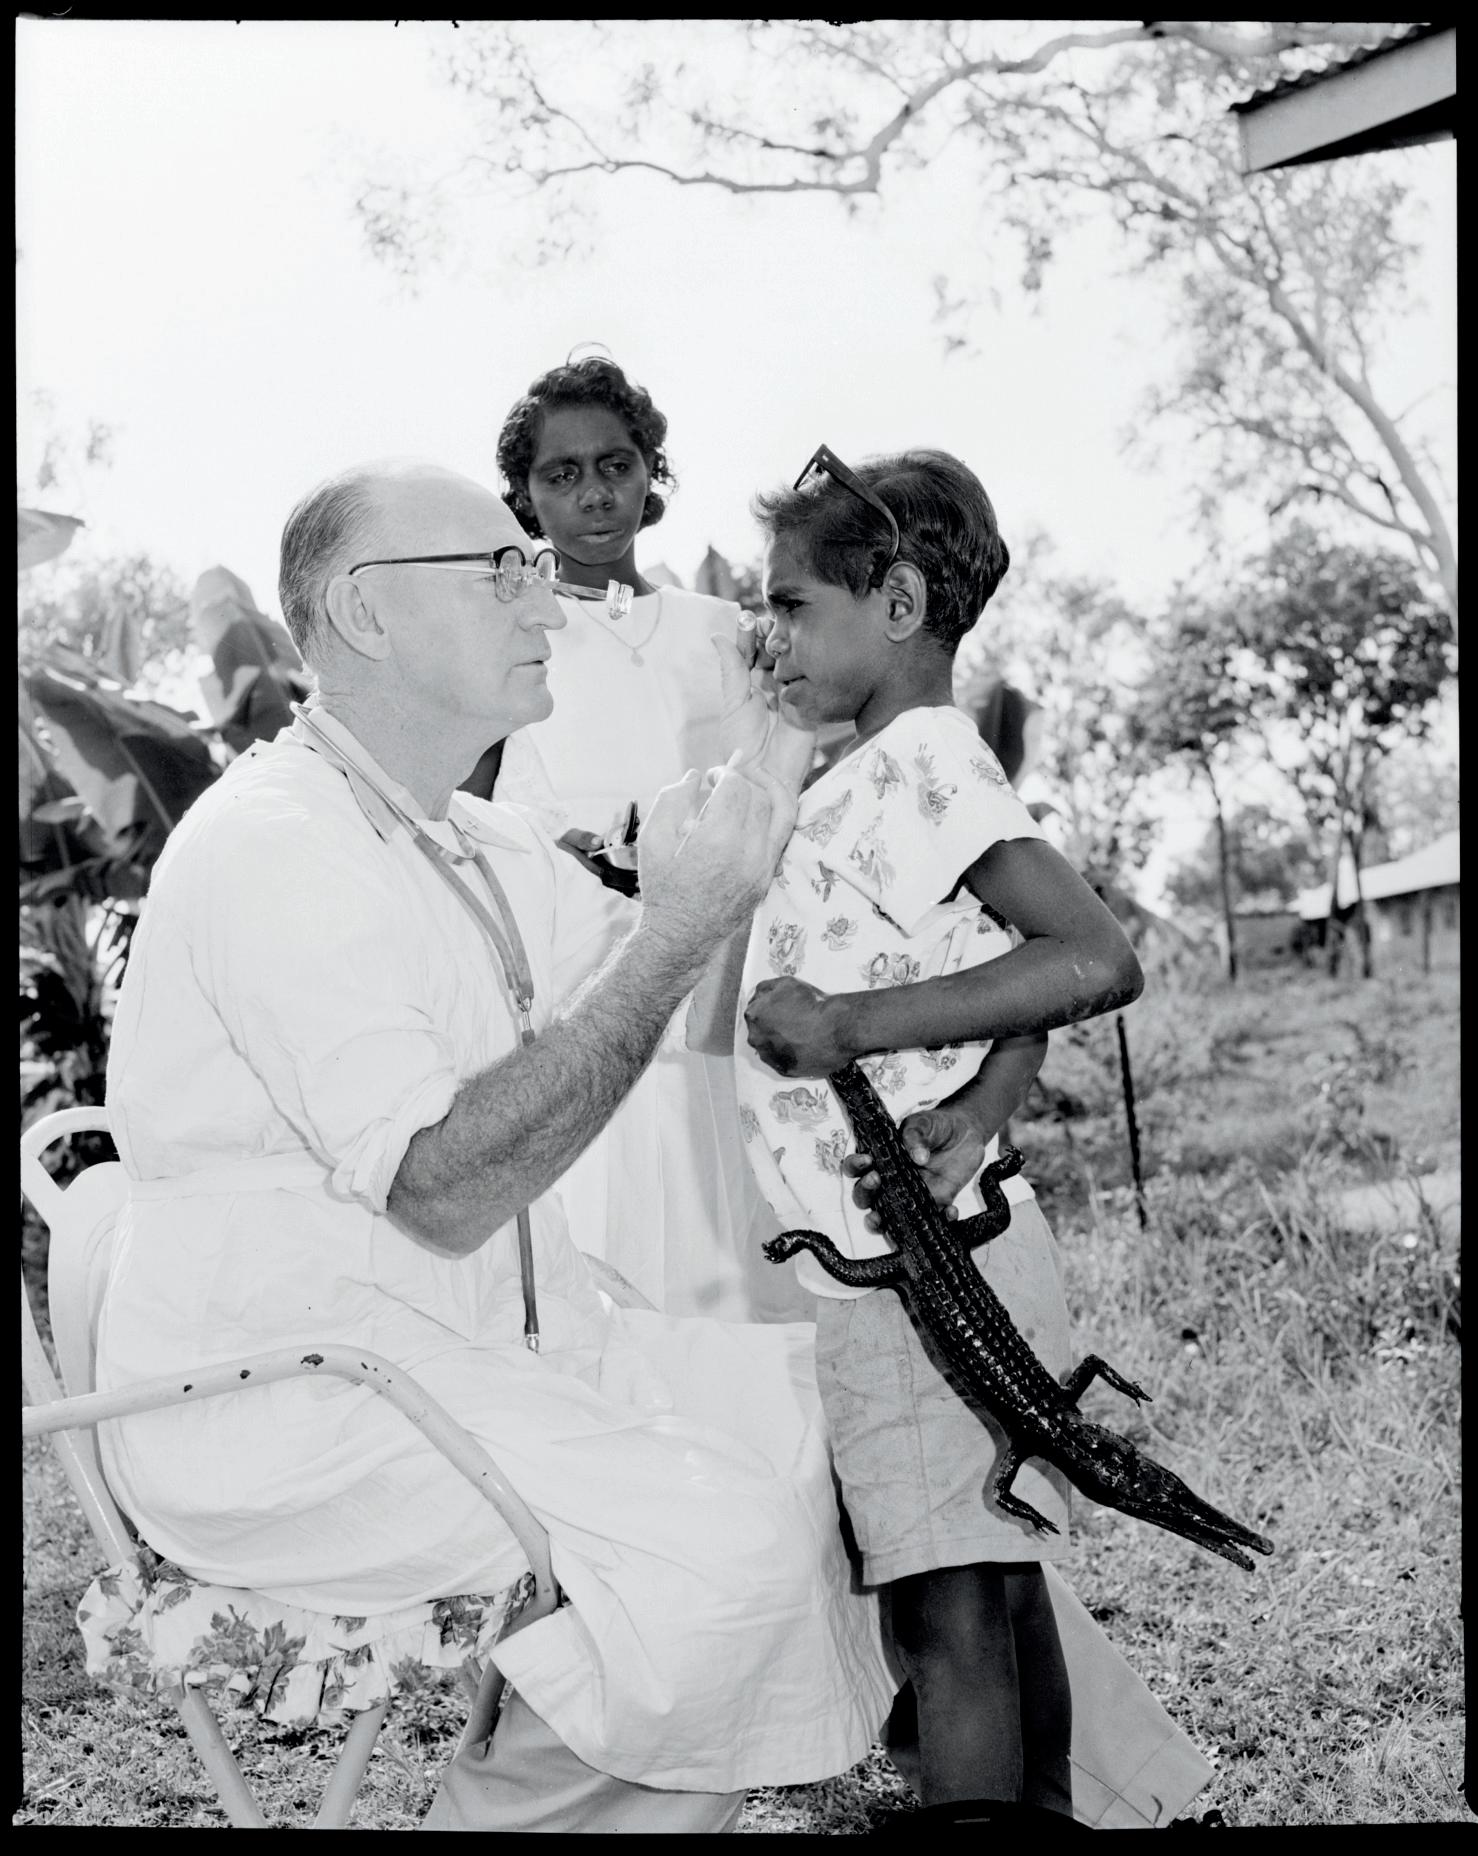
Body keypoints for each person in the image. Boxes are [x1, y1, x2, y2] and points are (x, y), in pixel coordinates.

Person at [94, 458, 900, 1833]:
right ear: (366, 612)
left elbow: (646, 979)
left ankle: (542, 1777)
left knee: (806, 1424)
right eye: (502, 572)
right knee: (728, 1546)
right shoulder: (273, 847)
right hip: (296, 1401)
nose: (548, 602)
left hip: (464, 1353)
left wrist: (772, 750)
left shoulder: (468, 836)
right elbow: (444, 1186)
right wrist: (675, 928)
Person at [729, 445, 1181, 1827]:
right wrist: (982, 1104)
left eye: (793, 605)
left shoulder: (920, 762)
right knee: (992, 1585)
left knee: (946, 1614)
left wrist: (849, 1024)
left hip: (914, 1281)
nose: (771, 634)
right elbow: (1009, 974)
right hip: (938, 1250)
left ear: (899, 604)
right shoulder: (878, 771)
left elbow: (1091, 957)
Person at [476, 354, 809, 1322]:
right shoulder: (509, 636)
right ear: (526, 495)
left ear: (649, 472)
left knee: (731, 1259)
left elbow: (772, 789)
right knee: (605, 1273)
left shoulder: (722, 633)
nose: (594, 494)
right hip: (579, 995)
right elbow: (470, 822)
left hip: (716, 986)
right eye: (562, 474)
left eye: (615, 466)